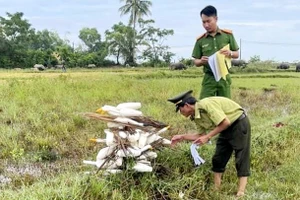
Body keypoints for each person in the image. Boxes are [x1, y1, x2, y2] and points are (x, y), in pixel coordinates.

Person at [168, 90, 251, 197]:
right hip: (224, 128)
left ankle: (241, 191)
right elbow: (200, 134)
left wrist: (208, 137)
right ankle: (216, 189)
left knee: (241, 156)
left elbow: (225, 122)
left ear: (187, 105)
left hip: (238, 124)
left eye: (180, 109)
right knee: (218, 158)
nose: (180, 112)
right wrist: (182, 137)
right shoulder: (195, 116)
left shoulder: (206, 105)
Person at [192, 5, 239, 99]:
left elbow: (236, 54)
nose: (206, 25)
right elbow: (195, 61)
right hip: (209, 78)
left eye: (208, 21)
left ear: (216, 19)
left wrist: (230, 53)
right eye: (203, 22)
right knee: (203, 106)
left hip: (224, 77)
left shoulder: (227, 35)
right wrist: (201, 61)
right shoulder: (200, 40)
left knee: (225, 106)